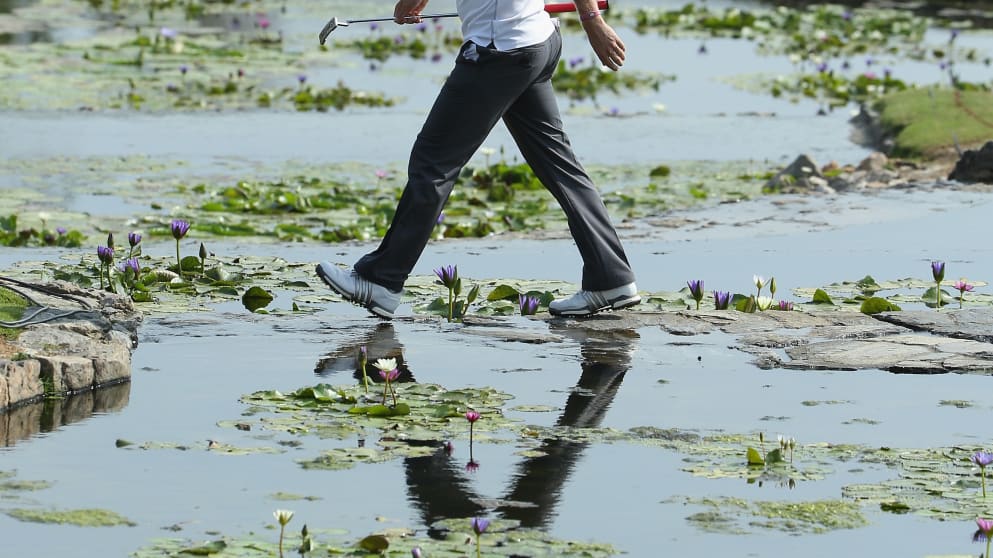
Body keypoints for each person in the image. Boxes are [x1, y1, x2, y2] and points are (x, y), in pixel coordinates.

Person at [317, 0, 640, 319]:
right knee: (560, 167)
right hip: (534, 41)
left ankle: (381, 280)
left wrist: (591, 19)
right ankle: (610, 277)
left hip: (499, 52)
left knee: (433, 164)